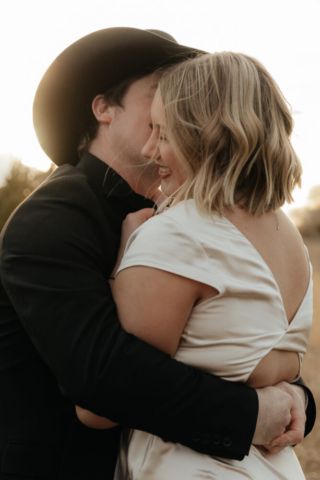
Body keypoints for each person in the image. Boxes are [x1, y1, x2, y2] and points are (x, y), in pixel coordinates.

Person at [0, 28, 315, 480]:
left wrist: (299, 399)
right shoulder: (53, 217)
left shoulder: (193, 215)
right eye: (159, 94)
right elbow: (106, 376)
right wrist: (252, 414)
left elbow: (230, 343)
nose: (177, 108)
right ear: (103, 108)